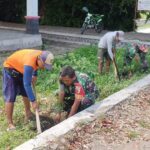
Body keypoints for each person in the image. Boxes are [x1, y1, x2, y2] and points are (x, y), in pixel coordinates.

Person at [2, 49, 54, 131]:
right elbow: (27, 84)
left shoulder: (42, 55)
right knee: (10, 96)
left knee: (25, 92)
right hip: (10, 68)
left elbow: (35, 64)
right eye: (44, 65)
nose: (44, 68)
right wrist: (33, 101)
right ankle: (10, 123)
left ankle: (28, 113)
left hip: (21, 68)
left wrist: (35, 74)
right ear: (40, 59)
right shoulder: (29, 64)